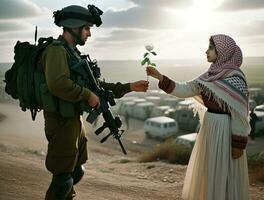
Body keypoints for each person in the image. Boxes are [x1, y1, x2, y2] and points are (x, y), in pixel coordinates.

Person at [41, 5, 149, 200]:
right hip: (61, 121)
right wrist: (87, 96)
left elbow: (97, 86)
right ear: (73, 27)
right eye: (87, 28)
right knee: (62, 178)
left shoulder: (72, 52)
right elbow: (57, 83)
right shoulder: (56, 51)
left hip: (73, 120)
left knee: (77, 171)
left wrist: (130, 86)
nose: (89, 33)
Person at [147, 34, 250, 200]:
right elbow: (185, 89)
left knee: (224, 170)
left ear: (222, 51)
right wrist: (160, 78)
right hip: (209, 128)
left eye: (210, 47)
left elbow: (240, 114)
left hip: (225, 130)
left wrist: (238, 143)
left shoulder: (236, 78)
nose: (206, 51)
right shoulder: (209, 75)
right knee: (210, 169)